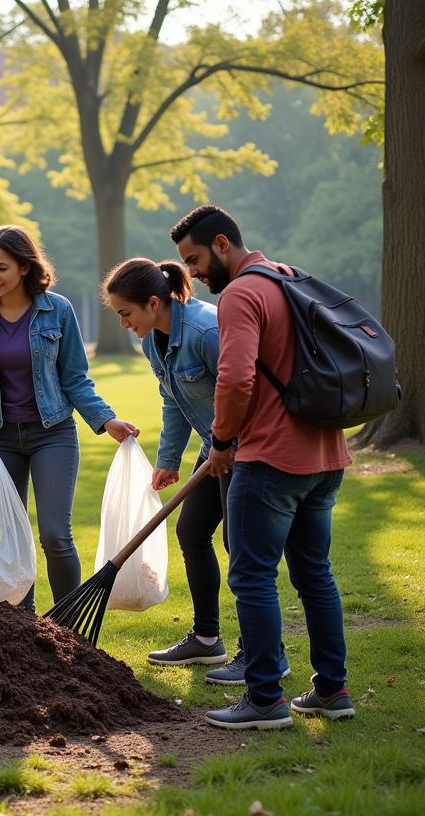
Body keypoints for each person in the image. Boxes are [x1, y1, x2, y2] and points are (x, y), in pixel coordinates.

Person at [171, 204, 354, 730]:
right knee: (314, 573)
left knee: (252, 575)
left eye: (196, 259)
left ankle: (266, 698)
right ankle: (332, 690)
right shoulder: (289, 278)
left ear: (222, 243)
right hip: (324, 454)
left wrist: (222, 440)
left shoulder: (242, 293)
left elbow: (234, 380)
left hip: (270, 458)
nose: (194, 272)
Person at [103, 257, 291, 683]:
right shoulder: (153, 339)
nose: (123, 323)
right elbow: (173, 400)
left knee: (241, 547)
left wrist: (230, 448)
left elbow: (249, 390)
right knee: (192, 531)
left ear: (153, 302)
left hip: (248, 446)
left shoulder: (207, 331)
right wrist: (168, 460)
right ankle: (207, 640)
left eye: (126, 313)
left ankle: (264, 654)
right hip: (216, 447)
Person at [0, 225, 139, 613]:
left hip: (52, 434)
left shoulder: (57, 310)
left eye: (1, 267)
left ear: (25, 267)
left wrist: (106, 420)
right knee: (7, 537)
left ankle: (66, 625)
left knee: (56, 535)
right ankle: (24, 627)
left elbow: (75, 378)